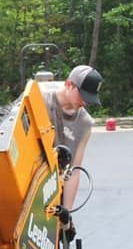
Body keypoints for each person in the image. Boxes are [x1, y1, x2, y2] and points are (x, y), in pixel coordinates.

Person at [41, 64, 102, 211]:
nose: (85, 102)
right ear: (69, 84)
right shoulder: (40, 100)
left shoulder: (84, 123)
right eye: (83, 95)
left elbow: (73, 171)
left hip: (52, 188)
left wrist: (66, 212)